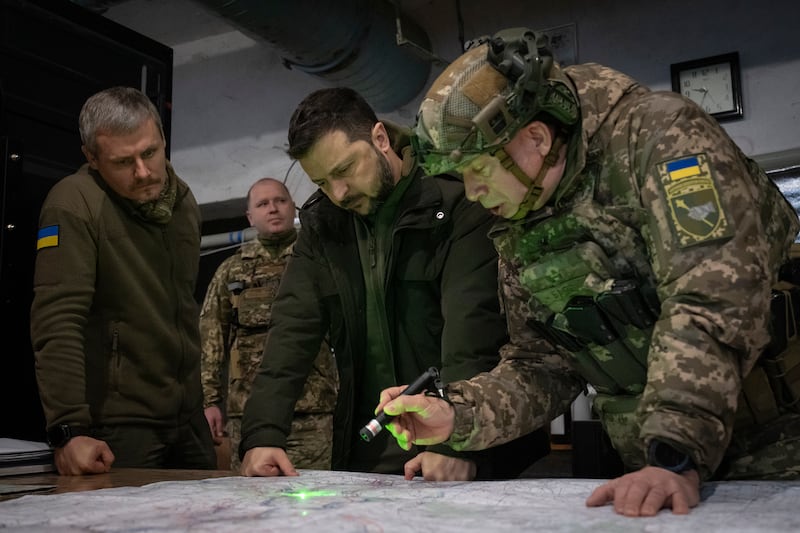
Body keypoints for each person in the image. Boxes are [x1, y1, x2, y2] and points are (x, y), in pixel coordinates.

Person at [375, 27, 800, 515]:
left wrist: (673, 449)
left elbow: (712, 295)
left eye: (479, 171)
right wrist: (456, 415)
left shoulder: (660, 137)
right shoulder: (522, 215)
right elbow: (543, 364)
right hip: (657, 467)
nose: (471, 193)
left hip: (775, 450)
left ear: (535, 137)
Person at [239, 86, 551, 481]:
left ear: (380, 138)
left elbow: (472, 330)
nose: (338, 193)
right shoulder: (324, 227)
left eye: (344, 170)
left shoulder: (455, 200)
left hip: (473, 448)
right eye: (321, 182)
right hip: (370, 452)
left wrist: (452, 441)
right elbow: (291, 331)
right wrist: (262, 434)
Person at [30, 86, 217, 475]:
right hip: (119, 428)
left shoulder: (184, 202)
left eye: (150, 152)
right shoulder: (73, 202)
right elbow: (57, 319)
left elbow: (183, 308)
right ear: (92, 159)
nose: (143, 172)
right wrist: (68, 430)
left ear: (163, 140)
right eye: (123, 161)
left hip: (189, 422)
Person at [200, 177, 338, 472]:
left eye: (280, 201)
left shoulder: (320, 260)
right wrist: (210, 400)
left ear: (293, 207)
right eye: (263, 204)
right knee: (254, 503)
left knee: (320, 498)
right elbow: (212, 338)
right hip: (249, 412)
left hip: (313, 410)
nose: (273, 209)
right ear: (250, 217)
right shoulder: (231, 270)